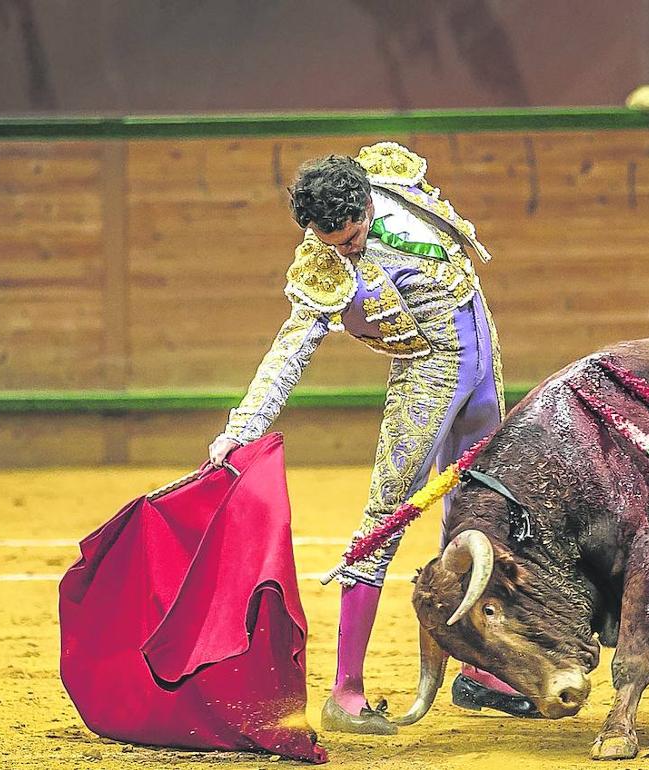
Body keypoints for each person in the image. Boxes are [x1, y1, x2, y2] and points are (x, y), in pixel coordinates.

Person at [207, 143, 536, 733]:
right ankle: (346, 691)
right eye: (329, 242)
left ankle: (480, 669)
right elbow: (291, 349)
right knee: (385, 521)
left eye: (352, 234)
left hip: (482, 359)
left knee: (481, 506)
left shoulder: (392, 182)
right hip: (427, 377)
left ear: (366, 203)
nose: (344, 250)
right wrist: (244, 427)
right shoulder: (324, 263)